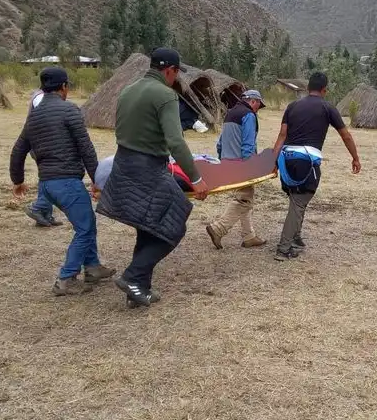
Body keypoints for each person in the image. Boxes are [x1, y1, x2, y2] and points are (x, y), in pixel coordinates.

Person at [97, 47, 209, 307]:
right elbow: (176, 142)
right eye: (176, 73)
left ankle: (138, 290)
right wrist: (195, 178)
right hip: (148, 167)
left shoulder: (128, 90)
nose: (175, 78)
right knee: (176, 223)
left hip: (123, 163)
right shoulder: (165, 95)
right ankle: (133, 277)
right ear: (170, 70)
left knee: (148, 225)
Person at [10, 67, 114, 296]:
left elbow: (18, 149)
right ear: (64, 87)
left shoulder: (34, 116)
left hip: (47, 184)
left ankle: (93, 267)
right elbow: (85, 147)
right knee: (85, 228)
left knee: (85, 223)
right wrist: (97, 180)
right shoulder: (69, 110)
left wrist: (17, 180)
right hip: (66, 181)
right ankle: (66, 279)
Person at [271, 72, 361, 261]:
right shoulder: (328, 108)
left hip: (286, 158)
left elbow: (281, 135)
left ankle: (295, 237)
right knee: (299, 202)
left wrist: (273, 162)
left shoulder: (292, 106)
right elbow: (346, 135)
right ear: (324, 90)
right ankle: (284, 247)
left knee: (296, 199)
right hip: (306, 160)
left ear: (307, 87)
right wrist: (355, 157)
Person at [205, 89, 268, 249]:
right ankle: (218, 228)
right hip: (240, 164)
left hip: (227, 162)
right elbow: (248, 145)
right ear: (254, 101)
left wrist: (222, 161)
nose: (257, 110)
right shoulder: (248, 115)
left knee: (244, 197)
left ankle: (249, 236)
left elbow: (219, 143)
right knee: (244, 200)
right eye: (258, 105)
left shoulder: (230, 114)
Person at [23, 87, 63, 227]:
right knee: (53, 178)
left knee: (46, 178)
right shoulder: (42, 98)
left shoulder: (40, 96)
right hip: (43, 144)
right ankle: (38, 207)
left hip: (41, 143)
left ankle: (44, 214)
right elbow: (47, 121)